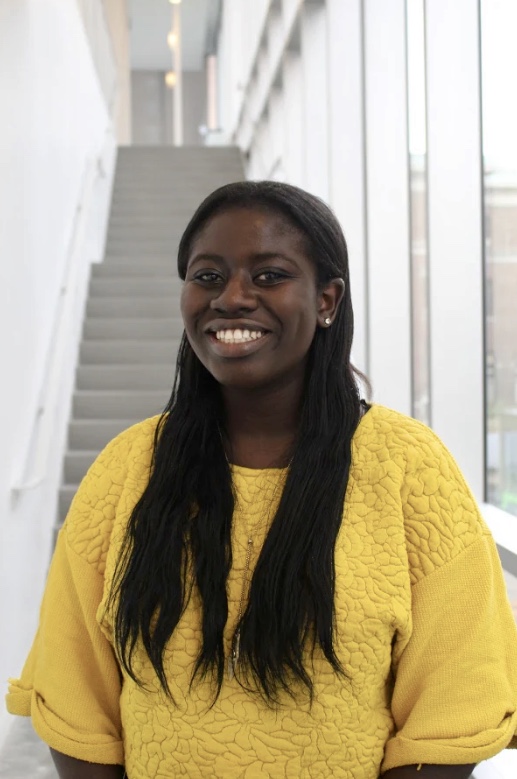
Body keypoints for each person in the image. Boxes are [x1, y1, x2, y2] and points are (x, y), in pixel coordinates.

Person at [6, 181, 517, 779]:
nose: (233, 298)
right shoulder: (128, 468)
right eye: (208, 276)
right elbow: (76, 702)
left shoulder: (409, 468)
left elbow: (451, 711)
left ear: (326, 299)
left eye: (270, 275)